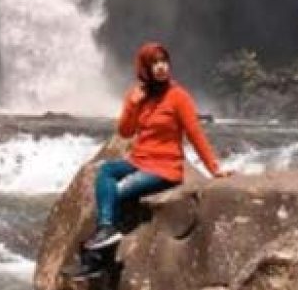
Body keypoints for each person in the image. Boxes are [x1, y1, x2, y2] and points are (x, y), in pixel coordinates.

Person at [83, 42, 229, 252]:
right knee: (106, 171)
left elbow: (195, 134)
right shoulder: (139, 96)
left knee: (117, 192)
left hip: (164, 168)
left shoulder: (179, 96)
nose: (161, 67)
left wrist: (214, 168)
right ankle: (106, 229)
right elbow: (125, 132)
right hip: (139, 161)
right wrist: (132, 104)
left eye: (164, 61)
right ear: (145, 68)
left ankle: (97, 256)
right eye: (154, 63)